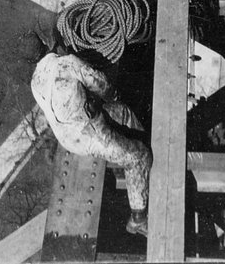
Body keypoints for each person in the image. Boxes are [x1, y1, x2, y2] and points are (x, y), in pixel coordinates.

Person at [29, 34, 152, 237]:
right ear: (46, 44)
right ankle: (138, 219)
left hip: (68, 138)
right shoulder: (67, 64)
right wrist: (112, 95)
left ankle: (125, 151)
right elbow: (102, 84)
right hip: (90, 134)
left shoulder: (35, 82)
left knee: (121, 113)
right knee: (139, 155)